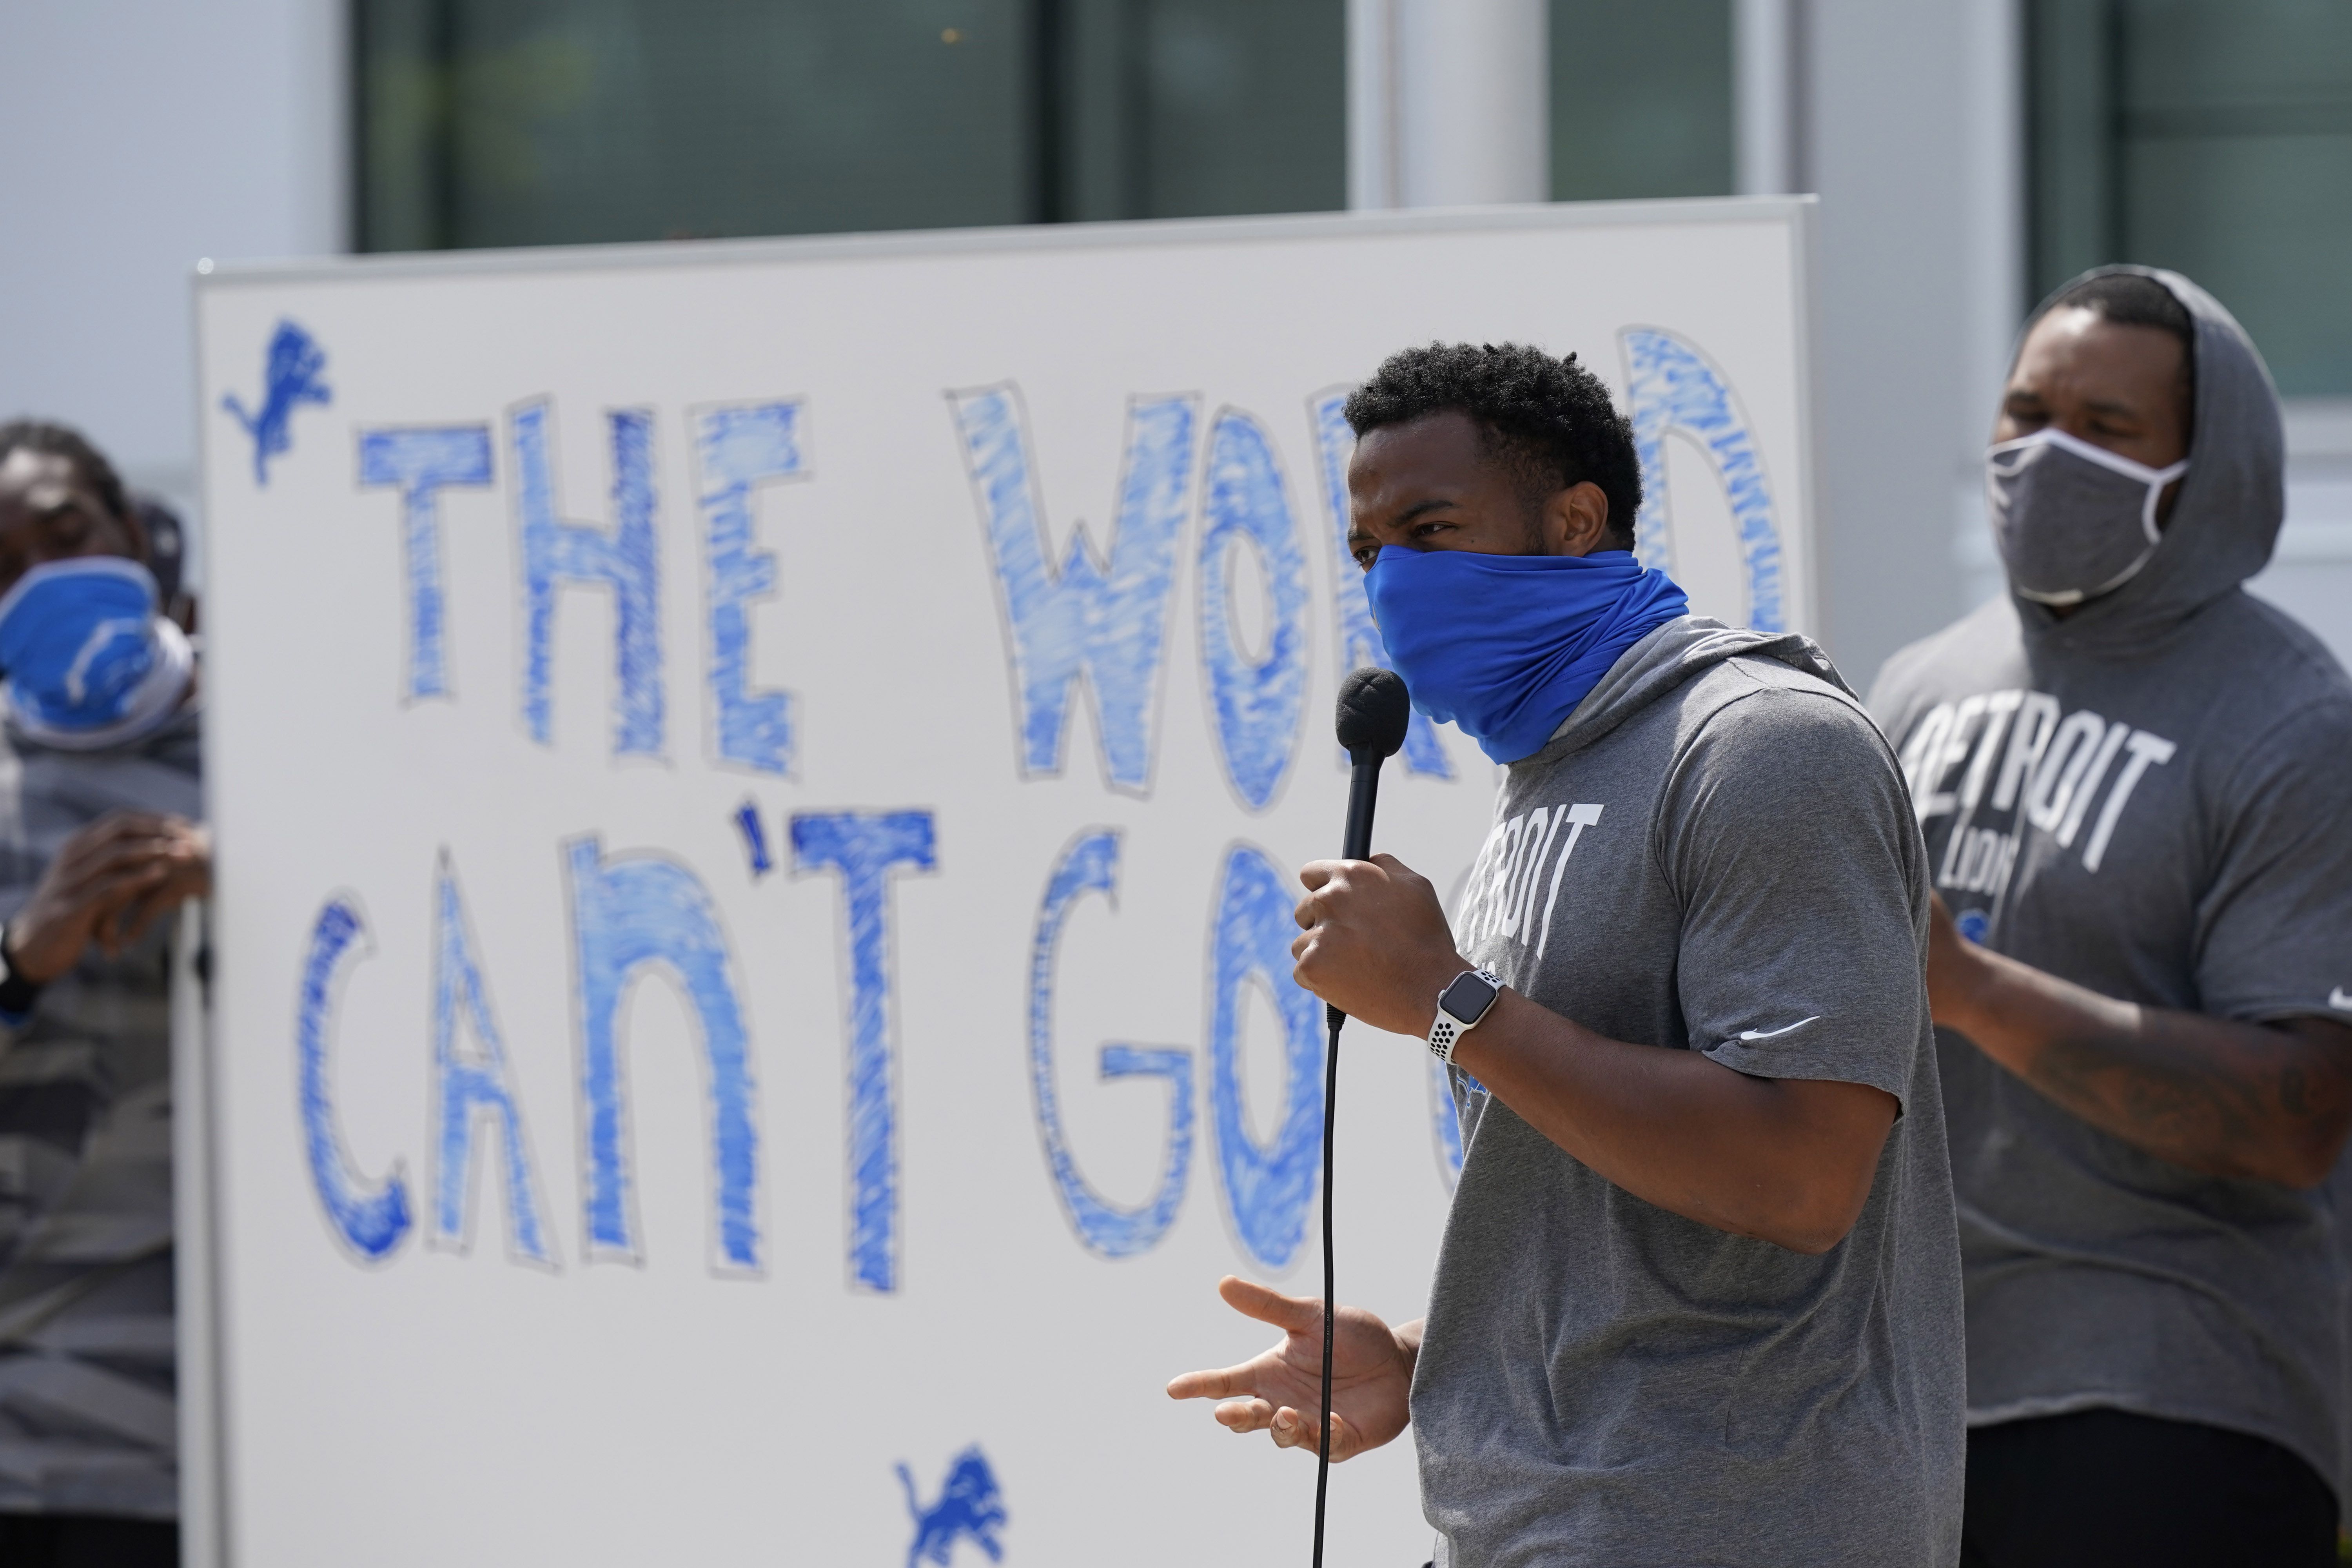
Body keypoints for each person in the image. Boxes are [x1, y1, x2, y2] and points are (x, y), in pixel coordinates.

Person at [1167, 343, 1966, 1566]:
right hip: (1539, 1520)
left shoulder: (1763, 746)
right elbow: (1639, 1211)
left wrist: (1447, 1002)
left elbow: (1801, 1179)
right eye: (1371, 551)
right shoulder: (1552, 777)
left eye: (1431, 530)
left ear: (1576, 520)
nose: (1395, 583)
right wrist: (1444, 1359)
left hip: (1734, 1524)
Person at [1867, 268, 2352, 1568]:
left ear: (2206, 471)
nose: (2044, 455)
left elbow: (2301, 1113)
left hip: (2174, 1387)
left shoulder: (2293, 721)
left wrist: (1966, 987)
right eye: (2025, 414)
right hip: (1909, 1399)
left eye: (2105, 428)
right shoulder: (1915, 687)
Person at [0, 420, 212, 1568]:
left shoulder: (288, 752)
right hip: (34, 1443)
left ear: (134, 536)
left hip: (267, 1420)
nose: (35, 580)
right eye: (0, 569)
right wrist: (20, 962)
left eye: (64, 535)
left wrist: (247, 879)